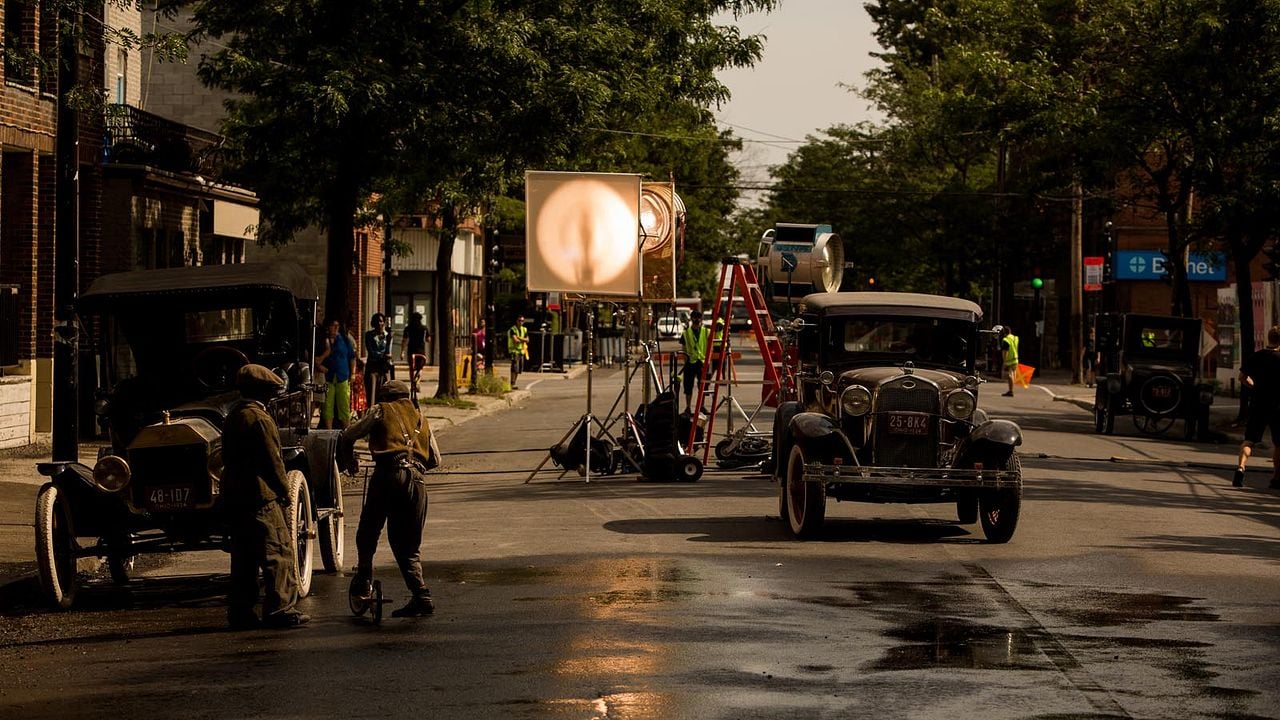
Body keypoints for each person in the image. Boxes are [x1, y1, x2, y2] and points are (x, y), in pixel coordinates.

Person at [339, 380, 441, 617]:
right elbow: (436, 460)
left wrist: (350, 461)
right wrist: (414, 460)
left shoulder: (380, 410)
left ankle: (364, 579)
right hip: (418, 482)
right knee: (408, 544)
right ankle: (421, 595)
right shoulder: (421, 419)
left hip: (389, 474)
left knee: (368, 530)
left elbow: (348, 434)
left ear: (384, 397)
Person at [221, 364, 309, 630]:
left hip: (236, 496)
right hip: (260, 496)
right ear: (266, 393)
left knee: (243, 558)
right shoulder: (260, 419)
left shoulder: (234, 415)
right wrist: (284, 491)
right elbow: (272, 461)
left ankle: (241, 611)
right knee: (277, 551)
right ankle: (280, 608)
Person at [1232, 324, 1280, 489]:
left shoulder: (1256, 356)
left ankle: (1241, 468)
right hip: (1277, 406)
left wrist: (1255, 386)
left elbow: (1242, 377)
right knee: (1279, 444)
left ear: (1269, 338)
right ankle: (1276, 478)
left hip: (1258, 403)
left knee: (1249, 440)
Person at [316, 317, 356, 429]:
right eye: (333, 325)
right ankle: (329, 430)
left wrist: (352, 373)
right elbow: (314, 356)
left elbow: (352, 357)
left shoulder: (344, 339)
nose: (335, 328)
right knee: (327, 406)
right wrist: (319, 366)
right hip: (328, 376)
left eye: (337, 325)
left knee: (344, 405)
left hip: (342, 376)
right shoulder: (322, 340)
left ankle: (346, 430)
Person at [681, 310, 710, 413]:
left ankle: (701, 406)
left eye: (698, 317)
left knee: (702, 385)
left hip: (702, 362)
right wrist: (685, 361)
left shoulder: (706, 332)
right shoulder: (686, 333)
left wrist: (708, 360)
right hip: (690, 362)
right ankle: (688, 407)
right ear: (691, 319)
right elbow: (683, 348)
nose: (697, 319)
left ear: (701, 319)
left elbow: (710, 346)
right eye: (695, 317)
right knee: (688, 386)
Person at [364, 313, 394, 407]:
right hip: (373, 367)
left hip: (384, 368)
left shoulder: (388, 335)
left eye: (381, 321)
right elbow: (371, 351)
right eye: (376, 322)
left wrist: (386, 357)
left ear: (384, 322)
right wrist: (383, 356)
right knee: (372, 393)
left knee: (385, 392)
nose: (379, 324)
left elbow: (389, 351)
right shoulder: (369, 335)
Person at [400, 312, 432, 388]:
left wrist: (402, 352)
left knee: (411, 368)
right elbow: (428, 339)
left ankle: (412, 383)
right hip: (421, 351)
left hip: (411, 351)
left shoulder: (408, 328)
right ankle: (418, 382)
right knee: (420, 368)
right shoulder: (424, 328)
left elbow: (404, 340)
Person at [508, 315, 529, 388]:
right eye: (519, 320)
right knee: (514, 367)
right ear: (516, 321)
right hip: (514, 351)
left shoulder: (524, 329)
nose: (521, 322)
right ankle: (512, 383)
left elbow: (527, 340)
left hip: (521, 351)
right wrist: (522, 339)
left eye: (522, 321)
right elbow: (515, 340)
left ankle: (514, 383)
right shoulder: (513, 329)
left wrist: (519, 337)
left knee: (519, 369)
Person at [1000, 325, 1019, 397]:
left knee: (1009, 375)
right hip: (1015, 359)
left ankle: (1011, 391)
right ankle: (1010, 390)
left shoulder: (1006, 340)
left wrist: (1004, 362)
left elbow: (1005, 351)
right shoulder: (1015, 338)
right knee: (1012, 375)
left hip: (1009, 360)